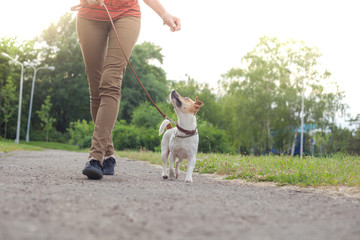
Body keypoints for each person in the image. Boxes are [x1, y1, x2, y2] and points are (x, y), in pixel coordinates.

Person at [77, 0, 181, 179]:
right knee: (96, 89)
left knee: (110, 81)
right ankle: (108, 154)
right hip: (89, 15)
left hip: (126, 14)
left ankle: (96, 157)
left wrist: (164, 14)